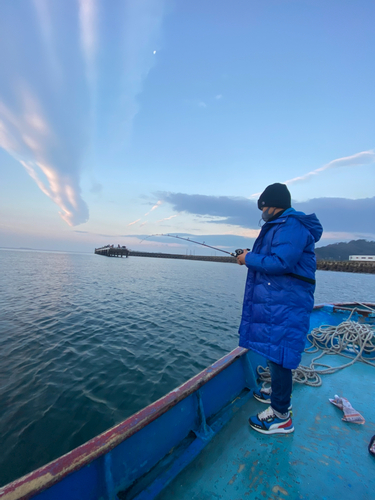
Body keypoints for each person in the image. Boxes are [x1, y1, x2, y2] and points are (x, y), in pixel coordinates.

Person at [236, 183, 323, 435]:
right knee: (275, 349)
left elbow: (282, 262)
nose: (263, 212)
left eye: (264, 207)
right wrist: (249, 254)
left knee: (280, 354)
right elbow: (276, 257)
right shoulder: (281, 225)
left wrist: (248, 259)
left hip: (287, 302)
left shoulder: (291, 226)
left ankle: (281, 416)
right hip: (280, 300)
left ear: (274, 205)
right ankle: (277, 393)